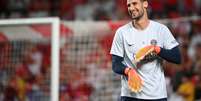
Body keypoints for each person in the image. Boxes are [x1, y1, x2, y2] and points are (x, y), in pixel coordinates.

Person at [110, 0, 181, 101]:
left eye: (134, 3)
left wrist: (157, 49)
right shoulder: (121, 32)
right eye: (129, 5)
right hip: (131, 95)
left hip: (157, 95)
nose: (131, 8)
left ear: (145, 4)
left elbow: (177, 57)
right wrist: (129, 71)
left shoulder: (161, 30)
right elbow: (115, 64)